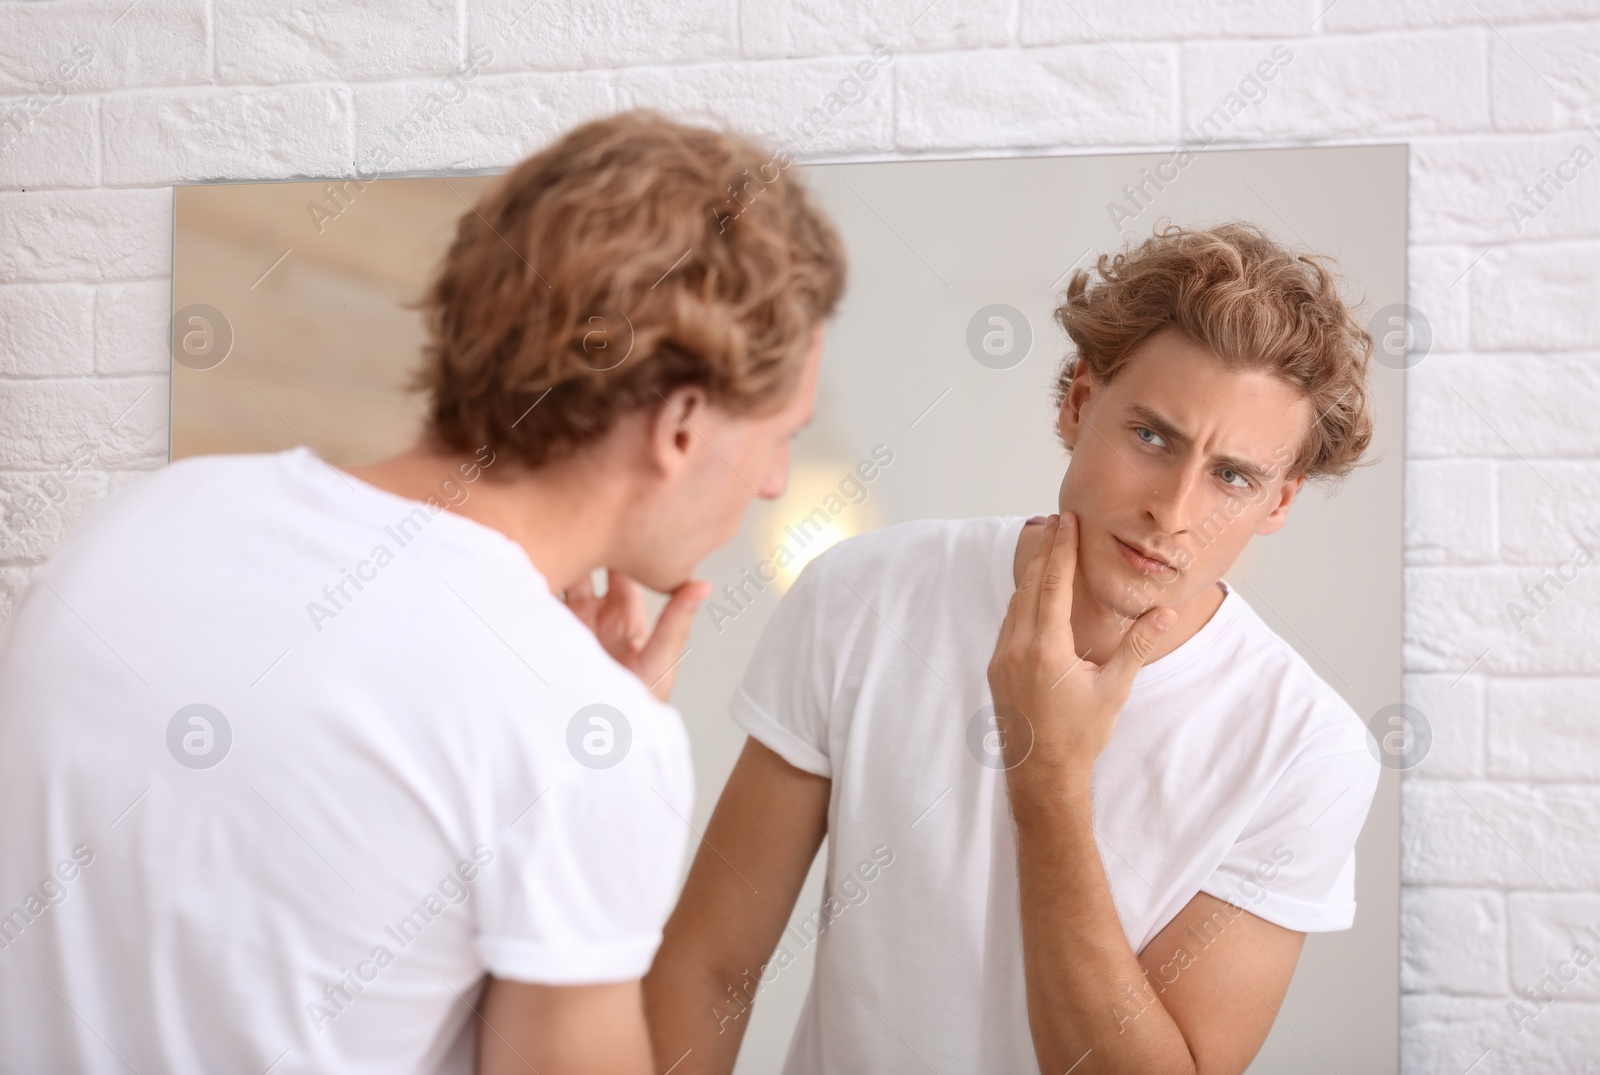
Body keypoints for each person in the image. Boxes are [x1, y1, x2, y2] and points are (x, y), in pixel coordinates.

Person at [0, 111, 845, 1074]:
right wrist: (590, 764)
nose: (776, 479)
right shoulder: (571, 734)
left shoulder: (134, 524)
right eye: (782, 433)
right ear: (684, 423)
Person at [644, 222, 1384, 1074]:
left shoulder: (1308, 750)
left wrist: (1050, 775)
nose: (1175, 511)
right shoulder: (863, 593)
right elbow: (708, 967)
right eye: (1152, 437)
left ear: (1280, 501)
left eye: (1233, 476)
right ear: (1078, 403)